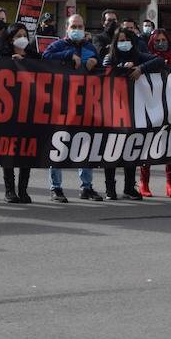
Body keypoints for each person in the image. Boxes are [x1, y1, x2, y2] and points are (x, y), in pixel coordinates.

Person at [42, 14, 103, 202]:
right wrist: (68, 55)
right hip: (61, 103)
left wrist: (96, 61)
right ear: (66, 29)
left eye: (80, 26)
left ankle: (86, 187)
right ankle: (56, 188)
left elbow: (100, 68)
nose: (77, 29)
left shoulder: (89, 47)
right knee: (58, 145)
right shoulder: (59, 45)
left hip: (85, 104)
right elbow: (46, 57)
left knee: (85, 145)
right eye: (73, 26)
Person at [101, 26, 163, 200]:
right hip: (113, 111)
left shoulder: (137, 56)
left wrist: (140, 68)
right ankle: (110, 188)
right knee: (111, 150)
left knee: (131, 150)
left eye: (127, 40)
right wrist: (122, 67)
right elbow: (106, 72)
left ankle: (129, 187)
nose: (124, 43)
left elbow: (158, 61)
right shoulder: (109, 57)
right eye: (120, 40)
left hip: (133, 110)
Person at [0, 22, 38, 203]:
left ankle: (23, 190)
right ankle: (9, 190)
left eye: (24, 35)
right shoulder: (3, 57)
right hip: (8, 112)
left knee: (26, 151)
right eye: (17, 36)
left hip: (30, 111)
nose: (22, 39)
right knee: (9, 151)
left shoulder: (35, 57)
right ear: (10, 39)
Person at [140, 28, 171, 198]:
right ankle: (144, 183)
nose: (161, 43)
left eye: (164, 40)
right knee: (148, 146)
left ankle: (170, 184)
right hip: (151, 107)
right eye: (157, 40)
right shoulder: (146, 58)